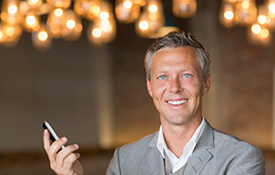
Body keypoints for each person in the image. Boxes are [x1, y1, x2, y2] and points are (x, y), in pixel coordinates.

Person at [43, 31, 265, 175]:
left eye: (186, 75)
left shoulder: (242, 158)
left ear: (206, 83)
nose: (174, 87)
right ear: (150, 87)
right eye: (162, 77)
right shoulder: (124, 159)